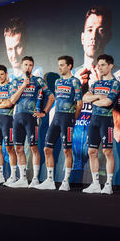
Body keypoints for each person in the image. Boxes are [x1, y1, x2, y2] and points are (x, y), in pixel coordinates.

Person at [72, 6, 120, 182]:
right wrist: (77, 91)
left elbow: (119, 134)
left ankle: (106, 184)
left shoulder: (118, 75)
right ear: (82, 37)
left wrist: (96, 91)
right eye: (90, 30)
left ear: (107, 36)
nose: (94, 36)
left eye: (100, 30)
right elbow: (61, 119)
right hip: (73, 154)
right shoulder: (74, 75)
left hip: (103, 149)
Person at [35, 56, 82, 191]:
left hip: (68, 118)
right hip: (56, 117)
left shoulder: (75, 81)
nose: (59, 67)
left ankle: (65, 182)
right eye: (59, 65)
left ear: (69, 66)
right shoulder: (57, 82)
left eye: (62, 65)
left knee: (67, 150)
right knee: (47, 149)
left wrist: (73, 119)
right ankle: (50, 181)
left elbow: (79, 103)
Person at [9, 56, 54, 188]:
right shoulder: (16, 81)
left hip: (31, 118)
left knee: (34, 148)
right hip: (18, 117)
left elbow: (51, 97)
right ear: (21, 66)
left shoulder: (38, 80)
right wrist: (23, 86)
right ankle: (23, 178)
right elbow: (12, 100)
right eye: (26, 65)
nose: (28, 67)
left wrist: (44, 112)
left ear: (32, 67)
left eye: (30, 65)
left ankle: (35, 179)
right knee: (18, 148)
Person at [82, 54, 120, 195]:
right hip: (94, 121)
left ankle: (109, 184)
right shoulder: (95, 84)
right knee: (91, 152)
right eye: (98, 65)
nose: (100, 67)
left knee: (107, 152)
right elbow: (84, 98)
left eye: (103, 65)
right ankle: (96, 184)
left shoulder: (115, 84)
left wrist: (94, 100)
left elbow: (108, 102)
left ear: (110, 66)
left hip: (106, 120)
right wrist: (98, 97)